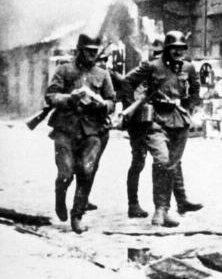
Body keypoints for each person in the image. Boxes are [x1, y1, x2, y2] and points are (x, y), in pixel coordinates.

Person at [121, 31, 201, 227]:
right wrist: (134, 106)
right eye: (175, 49)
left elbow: (196, 90)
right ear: (166, 49)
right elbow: (127, 82)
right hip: (155, 119)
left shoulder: (189, 68)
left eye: (182, 49)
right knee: (162, 160)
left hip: (179, 120)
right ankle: (160, 209)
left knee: (173, 163)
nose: (179, 52)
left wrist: (190, 107)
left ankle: (172, 206)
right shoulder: (151, 66)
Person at [44, 34, 116, 233]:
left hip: (92, 129)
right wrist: (69, 98)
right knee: (66, 173)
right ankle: (60, 194)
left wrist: (102, 104)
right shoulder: (64, 70)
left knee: (86, 171)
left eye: (94, 51)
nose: (92, 55)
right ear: (79, 50)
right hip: (65, 128)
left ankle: (77, 215)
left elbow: (112, 101)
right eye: (88, 51)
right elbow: (50, 96)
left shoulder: (102, 74)